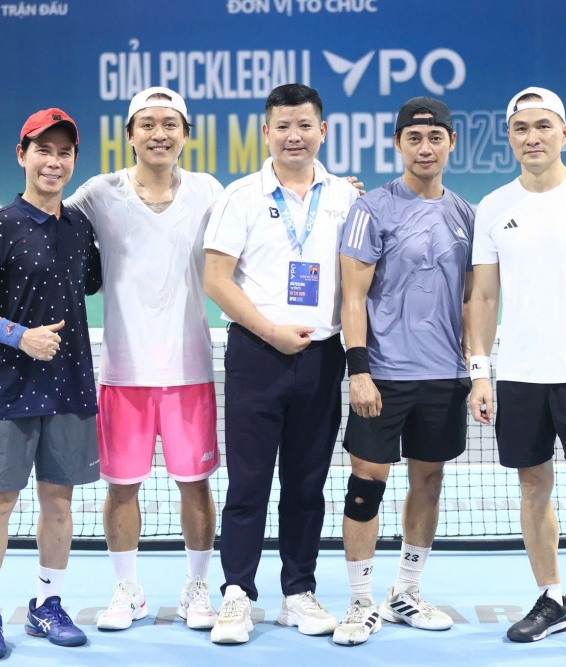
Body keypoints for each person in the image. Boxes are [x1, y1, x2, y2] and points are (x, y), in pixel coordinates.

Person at [0, 87, 225, 632]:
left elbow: (262, 213)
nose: (158, 134)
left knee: (194, 486)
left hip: (188, 370)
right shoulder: (98, 195)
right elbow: (34, 209)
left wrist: (332, 189)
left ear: (185, 134)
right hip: (119, 374)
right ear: (129, 135)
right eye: (147, 124)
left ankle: (196, 587)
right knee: (117, 489)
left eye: (170, 124)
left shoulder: (208, 191)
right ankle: (125, 590)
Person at [466, 87, 566, 662]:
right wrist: (480, 373)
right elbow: (484, 299)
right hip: (517, 377)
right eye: (521, 128)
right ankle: (552, 599)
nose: (531, 137)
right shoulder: (492, 206)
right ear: (509, 138)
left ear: (565, 133)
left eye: (542, 126)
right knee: (533, 487)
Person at [202, 83, 360, 644]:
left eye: (305, 125)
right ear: (266, 132)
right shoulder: (240, 196)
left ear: (323, 131)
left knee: (307, 485)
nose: (295, 136)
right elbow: (216, 279)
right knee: (247, 484)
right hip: (256, 355)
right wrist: (270, 331)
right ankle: (236, 594)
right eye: (283, 126)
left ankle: (298, 592)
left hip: (323, 359)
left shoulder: (346, 198)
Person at [0, 108, 102, 659]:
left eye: (64, 153)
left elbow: (93, 282)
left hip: (71, 384)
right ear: (22, 155)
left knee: (58, 503)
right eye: (43, 150)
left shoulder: (81, 228)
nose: (53, 162)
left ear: (74, 161)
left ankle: (47, 605)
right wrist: (20, 336)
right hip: (10, 385)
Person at [333, 97, 475, 646]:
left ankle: (406, 592)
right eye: (414, 138)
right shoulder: (372, 209)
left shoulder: (466, 215)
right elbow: (353, 296)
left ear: (451, 143)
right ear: (397, 144)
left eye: (435, 138)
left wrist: (477, 370)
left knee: (428, 482)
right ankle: (361, 600)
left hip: (444, 376)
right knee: (365, 488)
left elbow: (473, 300)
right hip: (384, 374)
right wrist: (359, 370)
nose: (425, 148)